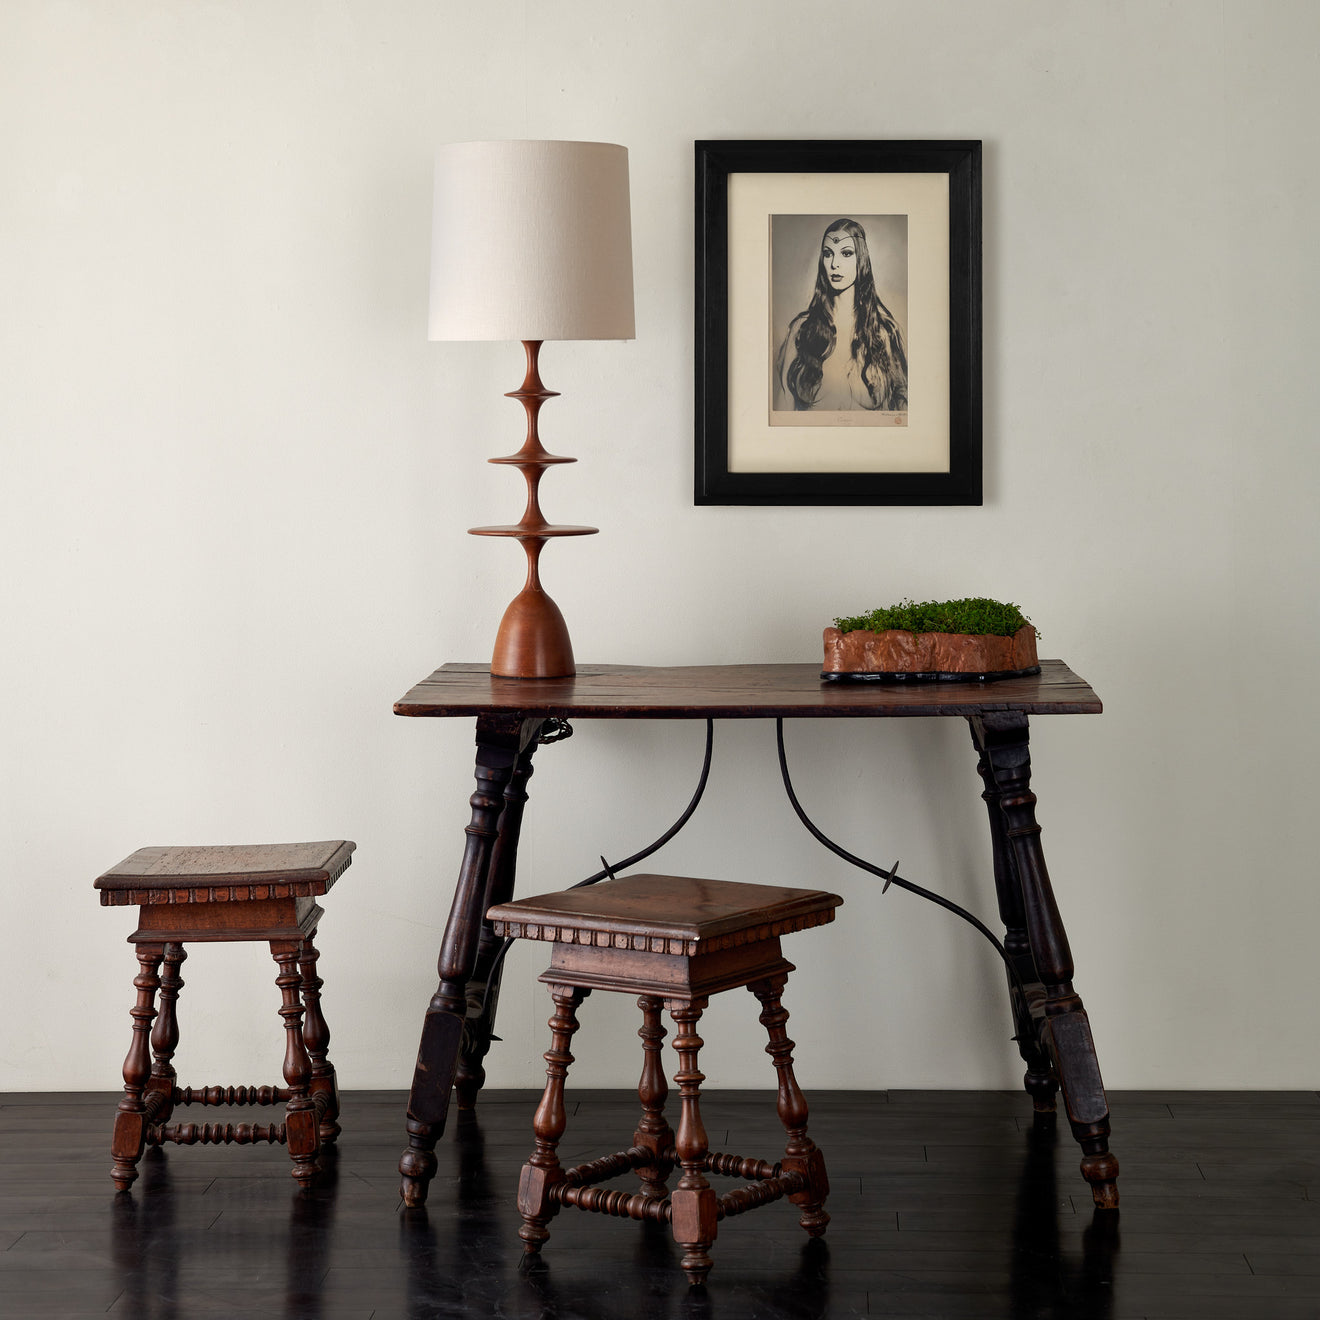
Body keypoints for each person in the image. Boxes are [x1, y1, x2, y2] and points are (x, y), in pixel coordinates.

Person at [775, 218, 908, 412]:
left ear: (861, 259)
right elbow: (784, 406)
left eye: (846, 253)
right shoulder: (802, 330)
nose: (834, 264)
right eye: (828, 254)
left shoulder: (885, 332)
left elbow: (903, 410)